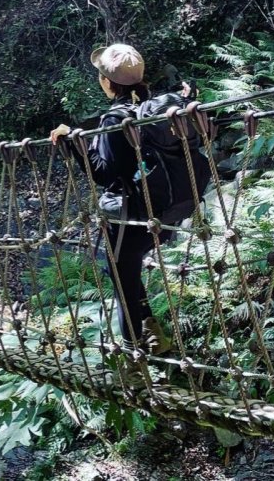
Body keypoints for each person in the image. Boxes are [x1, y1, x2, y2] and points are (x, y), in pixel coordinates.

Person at [51, 43, 198, 355]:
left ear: (106, 82)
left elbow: (104, 174)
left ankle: (135, 355)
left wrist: (75, 141)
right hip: (167, 208)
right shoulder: (161, 108)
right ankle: (151, 331)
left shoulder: (116, 118)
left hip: (134, 214)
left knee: (119, 276)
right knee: (126, 272)